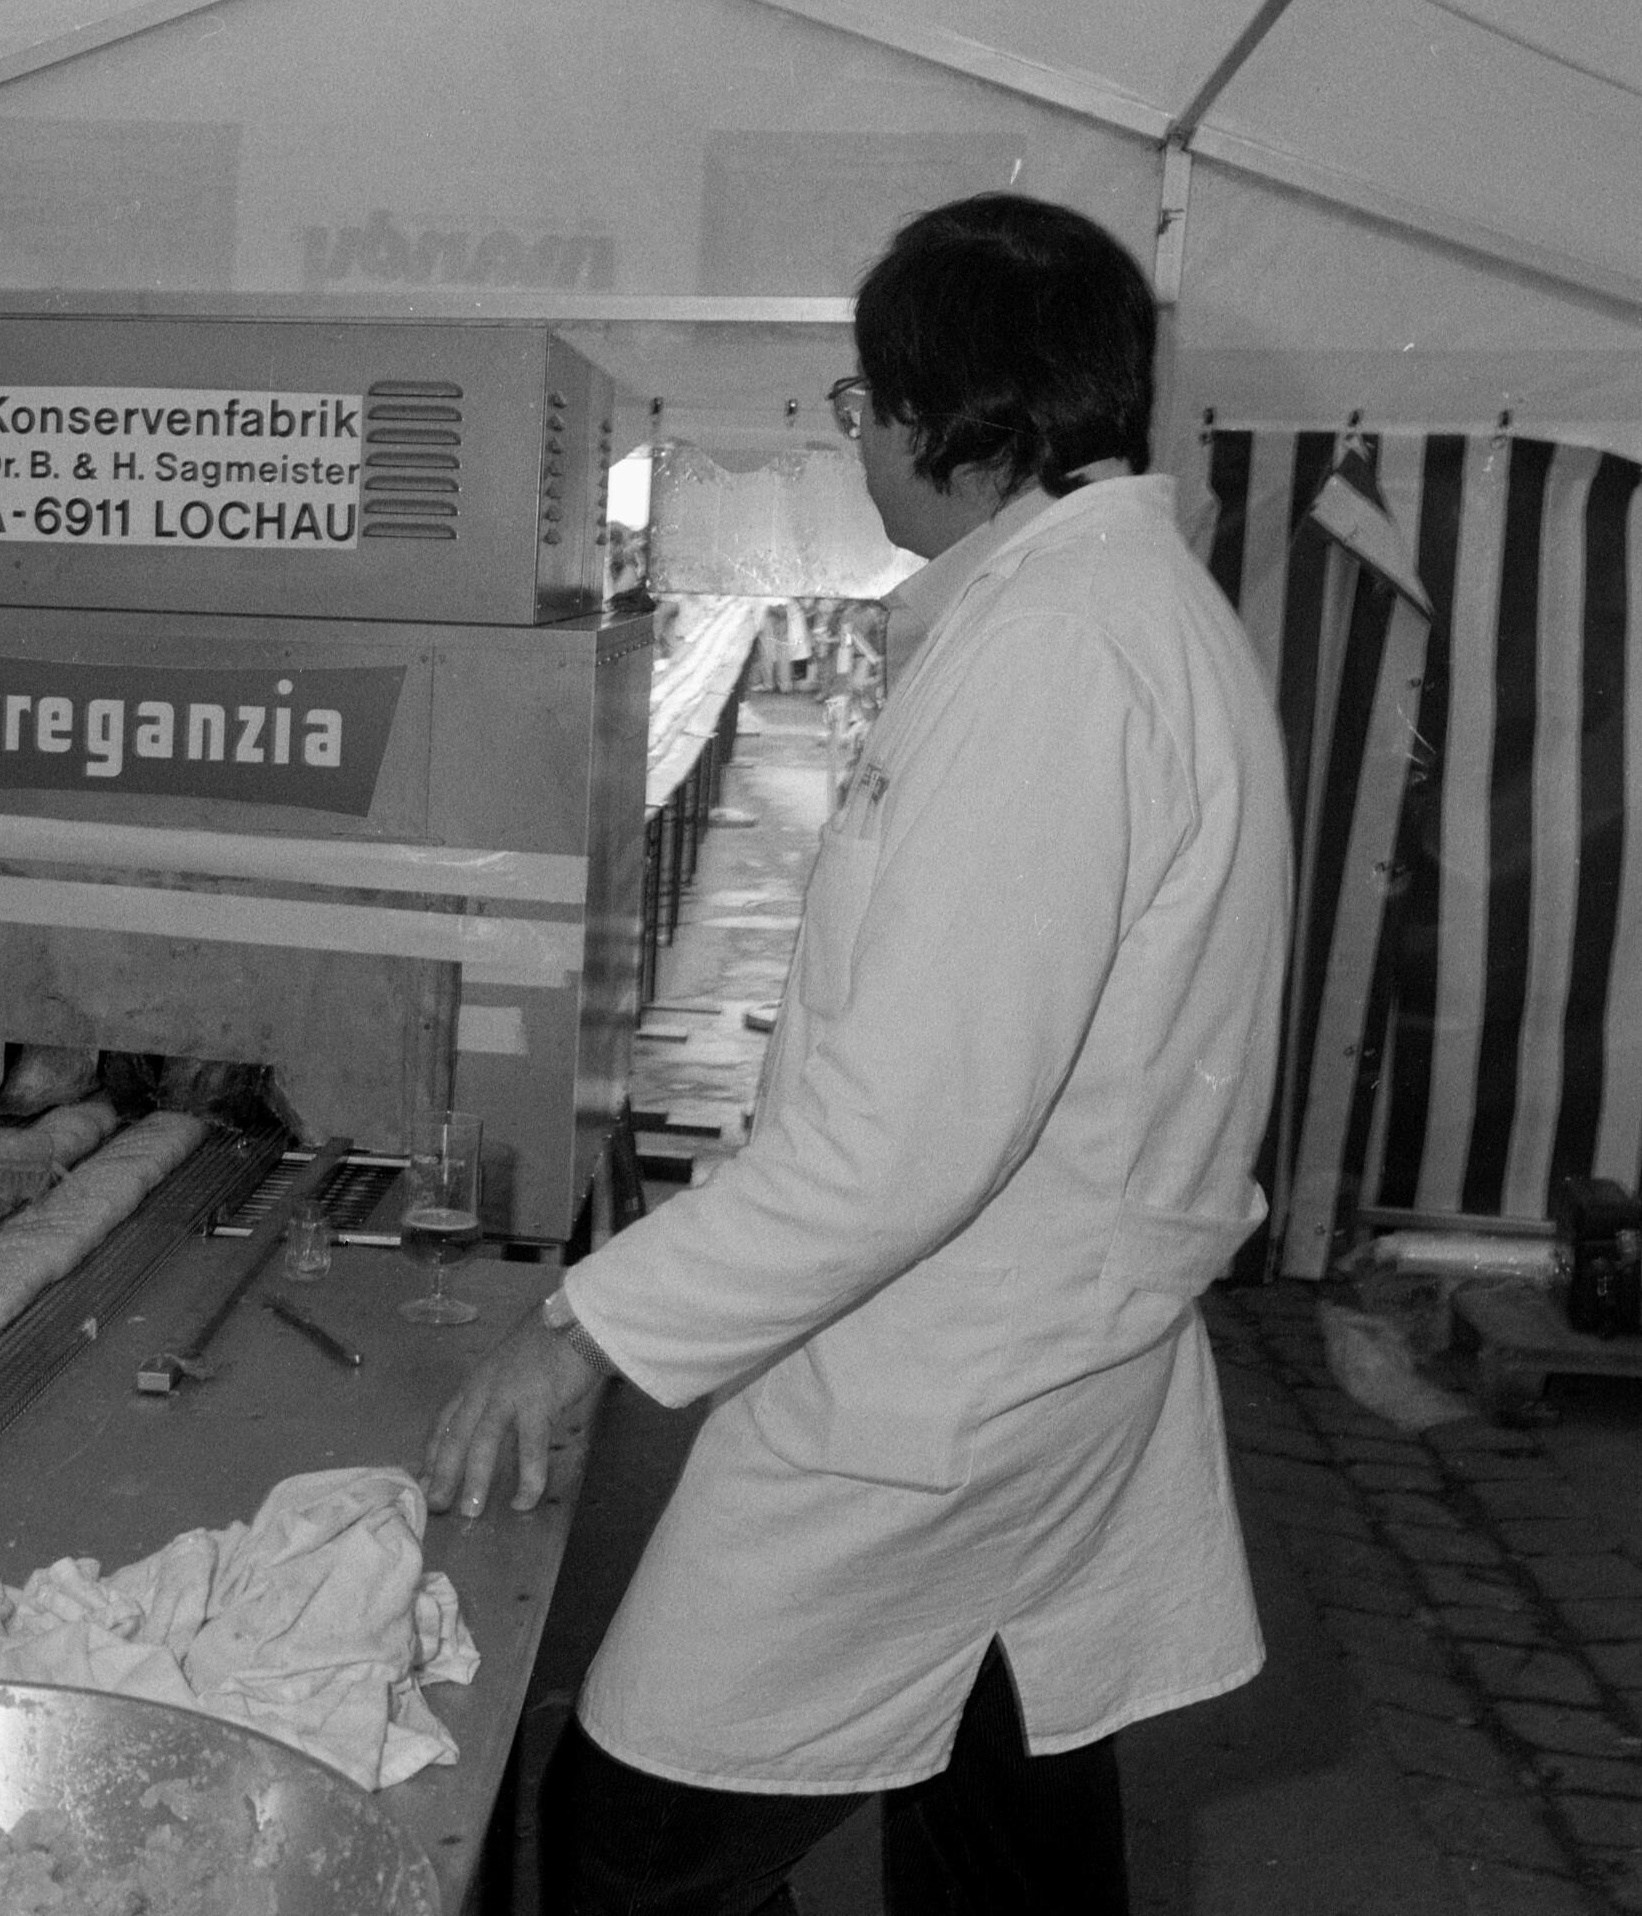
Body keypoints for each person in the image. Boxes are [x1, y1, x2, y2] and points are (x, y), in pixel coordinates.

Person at [423, 193, 1291, 1914]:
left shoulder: (1059, 653)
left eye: (863, 405)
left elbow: (906, 1135)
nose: (860, 442)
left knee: (629, 1835)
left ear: (954, 420)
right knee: (1000, 1801)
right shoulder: (1105, 609)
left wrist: (582, 1330)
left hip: (944, 1380)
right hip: (1034, 1346)